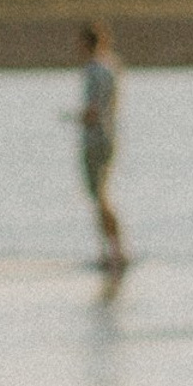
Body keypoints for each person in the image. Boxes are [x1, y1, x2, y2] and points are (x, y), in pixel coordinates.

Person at [75, 22, 127, 273]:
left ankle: (112, 254)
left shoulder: (94, 70)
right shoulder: (112, 66)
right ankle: (114, 252)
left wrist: (77, 117)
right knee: (102, 195)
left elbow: (92, 111)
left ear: (87, 44)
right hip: (109, 136)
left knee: (99, 197)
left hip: (95, 139)